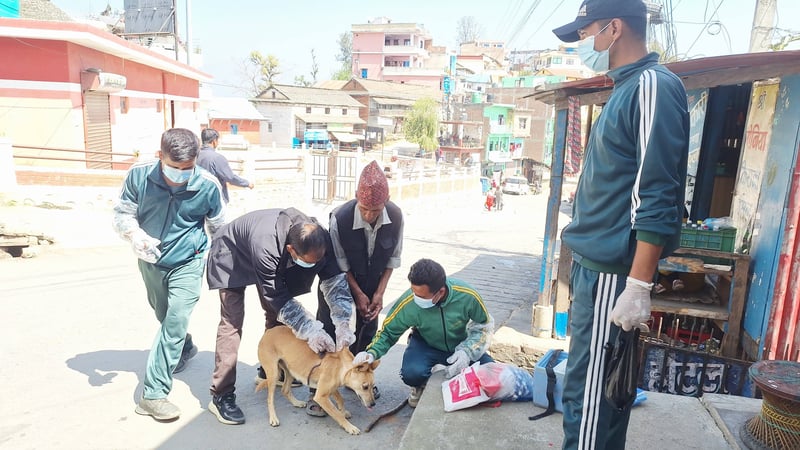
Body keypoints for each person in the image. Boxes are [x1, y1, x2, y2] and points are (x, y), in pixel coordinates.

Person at [551, 1, 689, 448]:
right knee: (582, 390)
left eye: (586, 32)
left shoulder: (652, 86)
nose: (584, 45)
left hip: (615, 274)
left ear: (614, 28)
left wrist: (638, 286)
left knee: (594, 402)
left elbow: (657, 194)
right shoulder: (626, 88)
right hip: (594, 269)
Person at [112, 128, 226, 422]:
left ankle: (153, 395)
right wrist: (133, 234)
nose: (180, 174)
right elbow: (123, 212)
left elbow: (218, 230)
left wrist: (221, 265)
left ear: (196, 160)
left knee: (175, 319)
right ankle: (184, 345)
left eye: (187, 168)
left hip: (189, 260)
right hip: (150, 259)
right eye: (173, 167)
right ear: (159, 155)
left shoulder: (208, 186)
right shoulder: (139, 176)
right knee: (164, 316)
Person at [205, 208, 356, 425]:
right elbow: (280, 300)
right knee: (232, 322)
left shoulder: (319, 239)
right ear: (291, 250)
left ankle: (269, 368)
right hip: (233, 254)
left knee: (275, 317)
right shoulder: (265, 245)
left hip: (272, 255)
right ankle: (222, 394)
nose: (313, 267)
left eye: (317, 262)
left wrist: (342, 323)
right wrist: (311, 330)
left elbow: (334, 283)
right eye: (308, 263)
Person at [352, 258, 495, 407]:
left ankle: (457, 376)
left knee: (489, 371)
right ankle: (420, 386)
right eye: (414, 292)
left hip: (460, 344)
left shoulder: (467, 296)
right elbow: (388, 332)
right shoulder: (408, 303)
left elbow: (484, 326)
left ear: (440, 292)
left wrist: (467, 352)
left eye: (421, 296)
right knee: (412, 373)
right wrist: (372, 353)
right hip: (426, 344)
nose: (416, 298)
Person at [317, 161, 403, 399]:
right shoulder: (340, 218)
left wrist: (379, 293)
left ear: (386, 201)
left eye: (375, 211)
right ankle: (322, 388)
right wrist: (357, 294)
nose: (369, 215)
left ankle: (359, 380)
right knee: (330, 330)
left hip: (373, 279)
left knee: (367, 329)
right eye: (364, 208)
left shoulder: (395, 216)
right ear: (356, 197)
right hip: (337, 281)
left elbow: (393, 259)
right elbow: (341, 264)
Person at [196, 128, 254, 204]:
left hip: (198, 199)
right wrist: (247, 183)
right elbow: (230, 177)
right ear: (214, 141)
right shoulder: (217, 158)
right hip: (214, 201)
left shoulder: (194, 156)